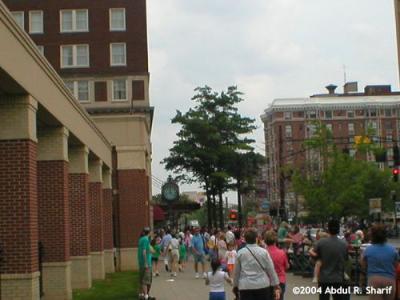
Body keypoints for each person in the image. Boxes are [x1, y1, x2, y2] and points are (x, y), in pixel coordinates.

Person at [233, 228, 281, 300]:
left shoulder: (240, 253)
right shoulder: (264, 252)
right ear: (256, 238)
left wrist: (235, 285)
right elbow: (270, 269)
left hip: (245, 286)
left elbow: (236, 272)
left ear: (245, 239)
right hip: (262, 285)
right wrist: (276, 285)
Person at [311, 219, 349, 300]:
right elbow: (345, 259)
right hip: (338, 278)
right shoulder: (344, 244)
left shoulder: (321, 243)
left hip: (324, 278)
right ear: (339, 229)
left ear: (328, 229)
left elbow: (314, 256)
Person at [361, 224, 398, 300]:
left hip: (374, 280)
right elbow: (396, 265)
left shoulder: (368, 250)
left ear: (373, 236)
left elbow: (363, 265)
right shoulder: (393, 250)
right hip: (389, 279)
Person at [265, 230, 289, 300]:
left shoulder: (263, 253)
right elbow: (287, 266)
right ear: (275, 240)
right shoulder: (281, 252)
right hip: (280, 280)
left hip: (266, 281)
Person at [138, 227, 156, 300]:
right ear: (149, 232)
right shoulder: (145, 239)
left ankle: (142, 295)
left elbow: (150, 250)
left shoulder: (141, 239)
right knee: (146, 281)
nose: (152, 234)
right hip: (146, 263)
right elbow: (144, 251)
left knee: (143, 280)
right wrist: (146, 263)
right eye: (152, 232)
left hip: (141, 263)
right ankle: (146, 296)